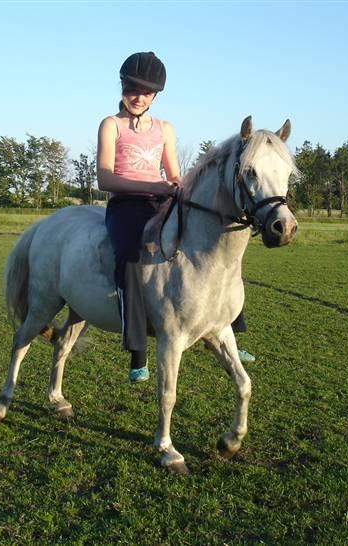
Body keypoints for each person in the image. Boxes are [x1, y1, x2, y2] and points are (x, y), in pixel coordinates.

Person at [97, 52, 254, 384]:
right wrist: (152, 184)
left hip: (161, 201)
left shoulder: (164, 128)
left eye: (146, 92)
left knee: (211, 246)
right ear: (123, 87)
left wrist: (178, 187)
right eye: (133, 89)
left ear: (155, 95)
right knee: (128, 255)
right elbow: (105, 179)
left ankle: (230, 327)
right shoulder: (111, 125)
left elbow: (174, 173)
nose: (139, 97)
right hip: (125, 206)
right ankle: (137, 346)